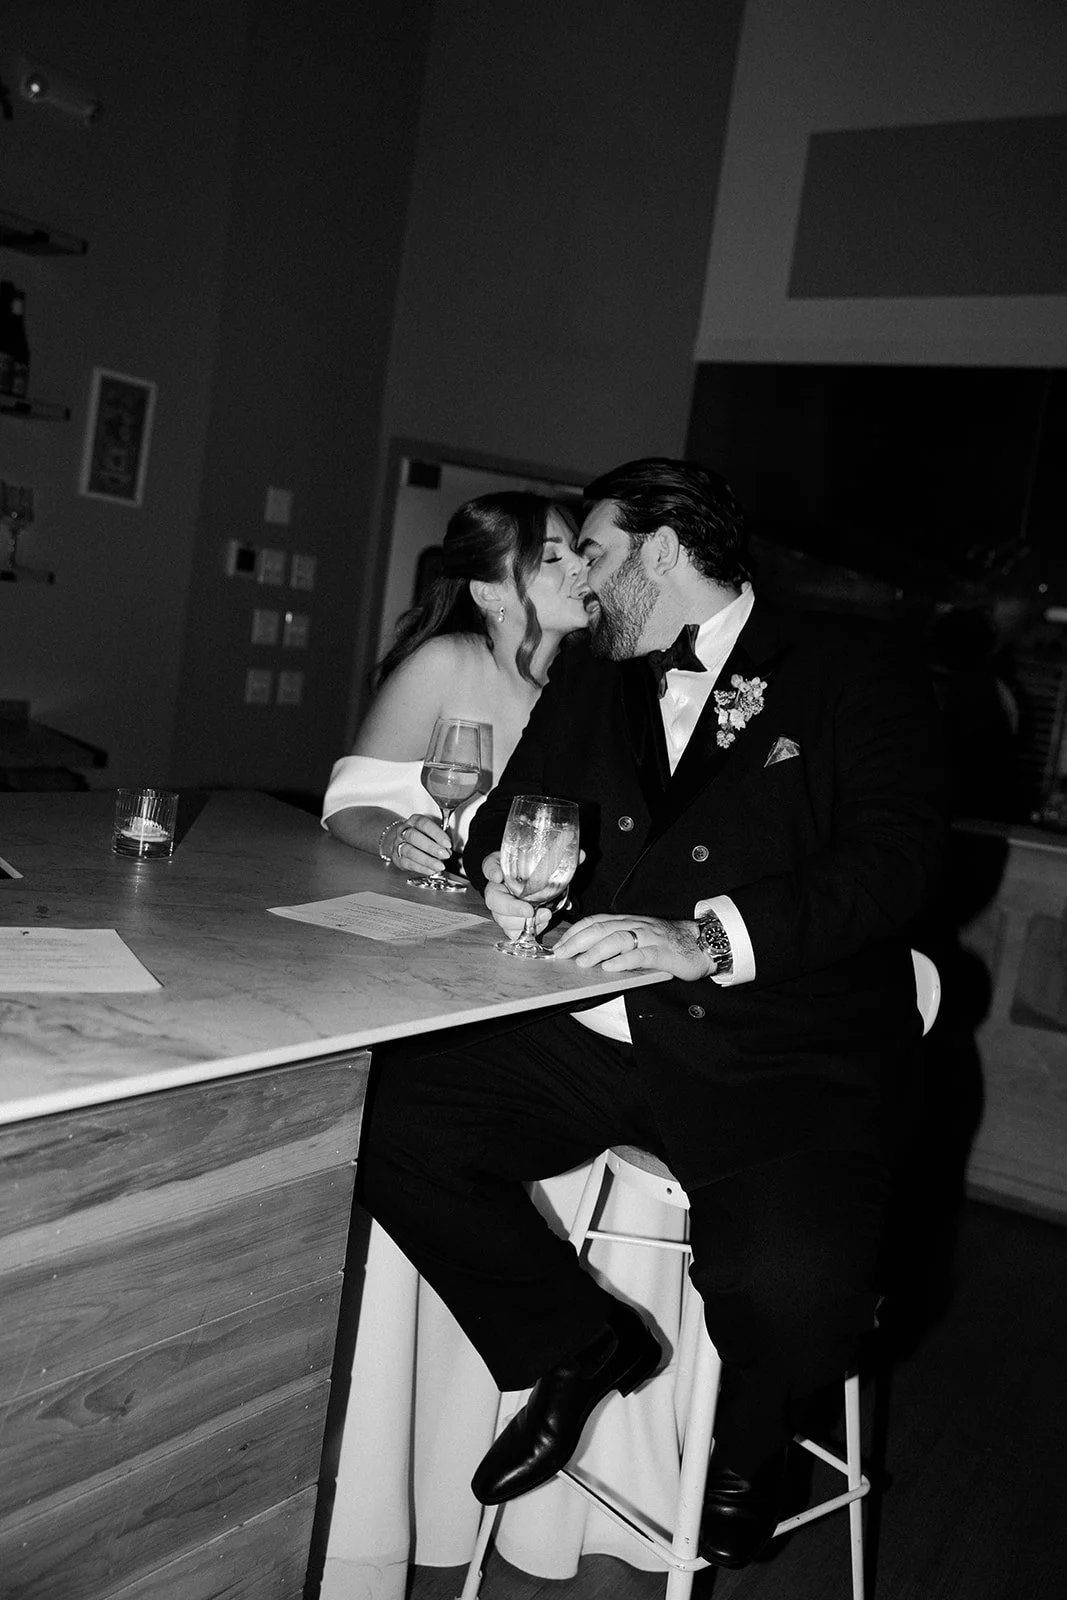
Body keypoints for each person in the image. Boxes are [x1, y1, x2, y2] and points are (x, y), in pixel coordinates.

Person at [356, 458, 949, 1570]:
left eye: (591, 553)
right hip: (598, 1034)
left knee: (794, 1290)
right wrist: (503, 874)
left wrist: (705, 939)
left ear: (662, 552)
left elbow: (898, 861)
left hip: (781, 1051)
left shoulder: (850, 667)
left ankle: (751, 1446)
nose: (578, 579)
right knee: (381, 1123)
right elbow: (518, 817)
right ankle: (576, 1339)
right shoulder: (593, 672)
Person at [321, 490, 590, 871]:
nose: (581, 564)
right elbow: (347, 805)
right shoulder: (444, 665)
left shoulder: (589, 687)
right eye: (552, 557)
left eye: (577, 550)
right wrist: (399, 839)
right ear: (489, 593)